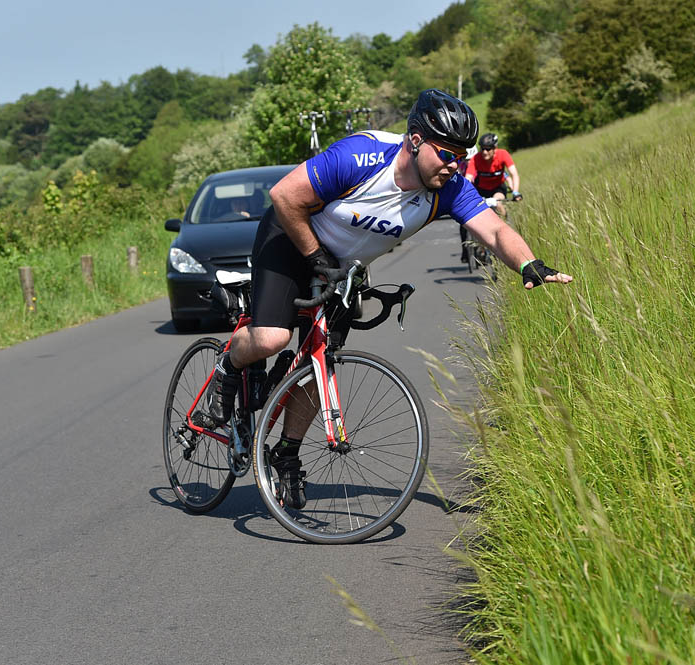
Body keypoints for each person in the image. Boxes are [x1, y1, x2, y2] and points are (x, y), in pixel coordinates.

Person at [209, 88, 571, 507]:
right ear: (415, 140)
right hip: (291, 240)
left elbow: (494, 231)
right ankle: (227, 363)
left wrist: (529, 264)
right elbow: (284, 196)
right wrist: (316, 257)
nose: (456, 164)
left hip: (341, 266)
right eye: (447, 152)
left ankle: (286, 452)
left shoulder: (448, 189)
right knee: (272, 338)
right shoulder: (360, 156)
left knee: (319, 363)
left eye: (462, 154)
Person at [461, 133, 522, 262]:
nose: (484, 152)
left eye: (488, 148)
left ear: (495, 148)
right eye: (482, 148)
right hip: (480, 189)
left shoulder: (503, 154)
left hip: (498, 188)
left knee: (498, 203)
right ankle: (481, 245)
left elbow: (514, 174)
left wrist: (515, 192)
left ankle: (505, 229)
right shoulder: (476, 159)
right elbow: (469, 178)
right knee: (477, 216)